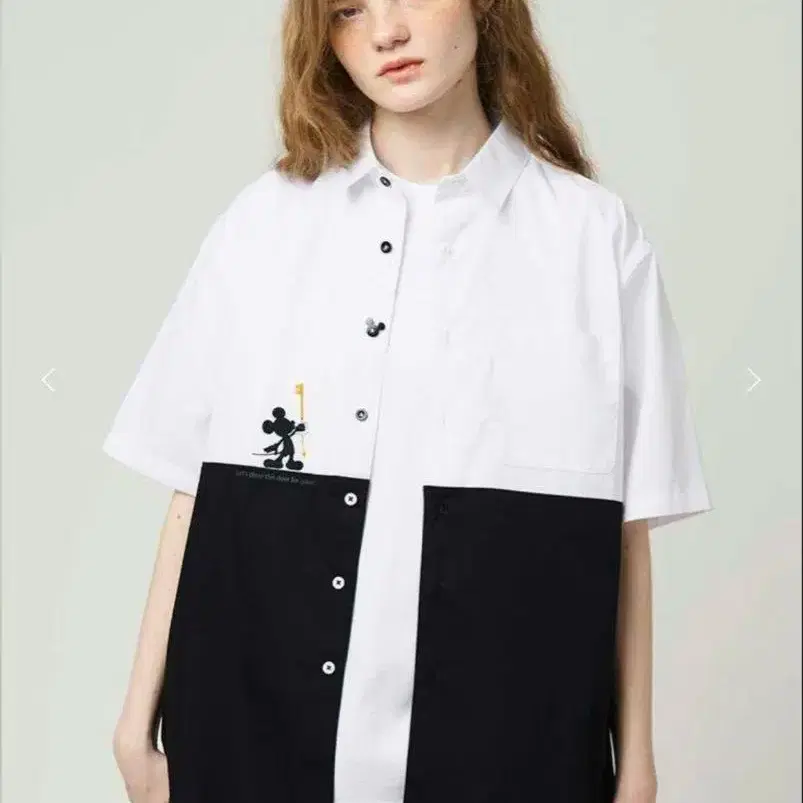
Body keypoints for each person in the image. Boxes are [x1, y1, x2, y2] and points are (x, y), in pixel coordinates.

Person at [106, 0, 713, 799]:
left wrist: (634, 765)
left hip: (507, 749)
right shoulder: (263, 223)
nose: (385, 31)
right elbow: (194, 492)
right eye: (348, 11)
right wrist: (134, 727)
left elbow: (622, 532)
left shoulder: (594, 240)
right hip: (251, 737)